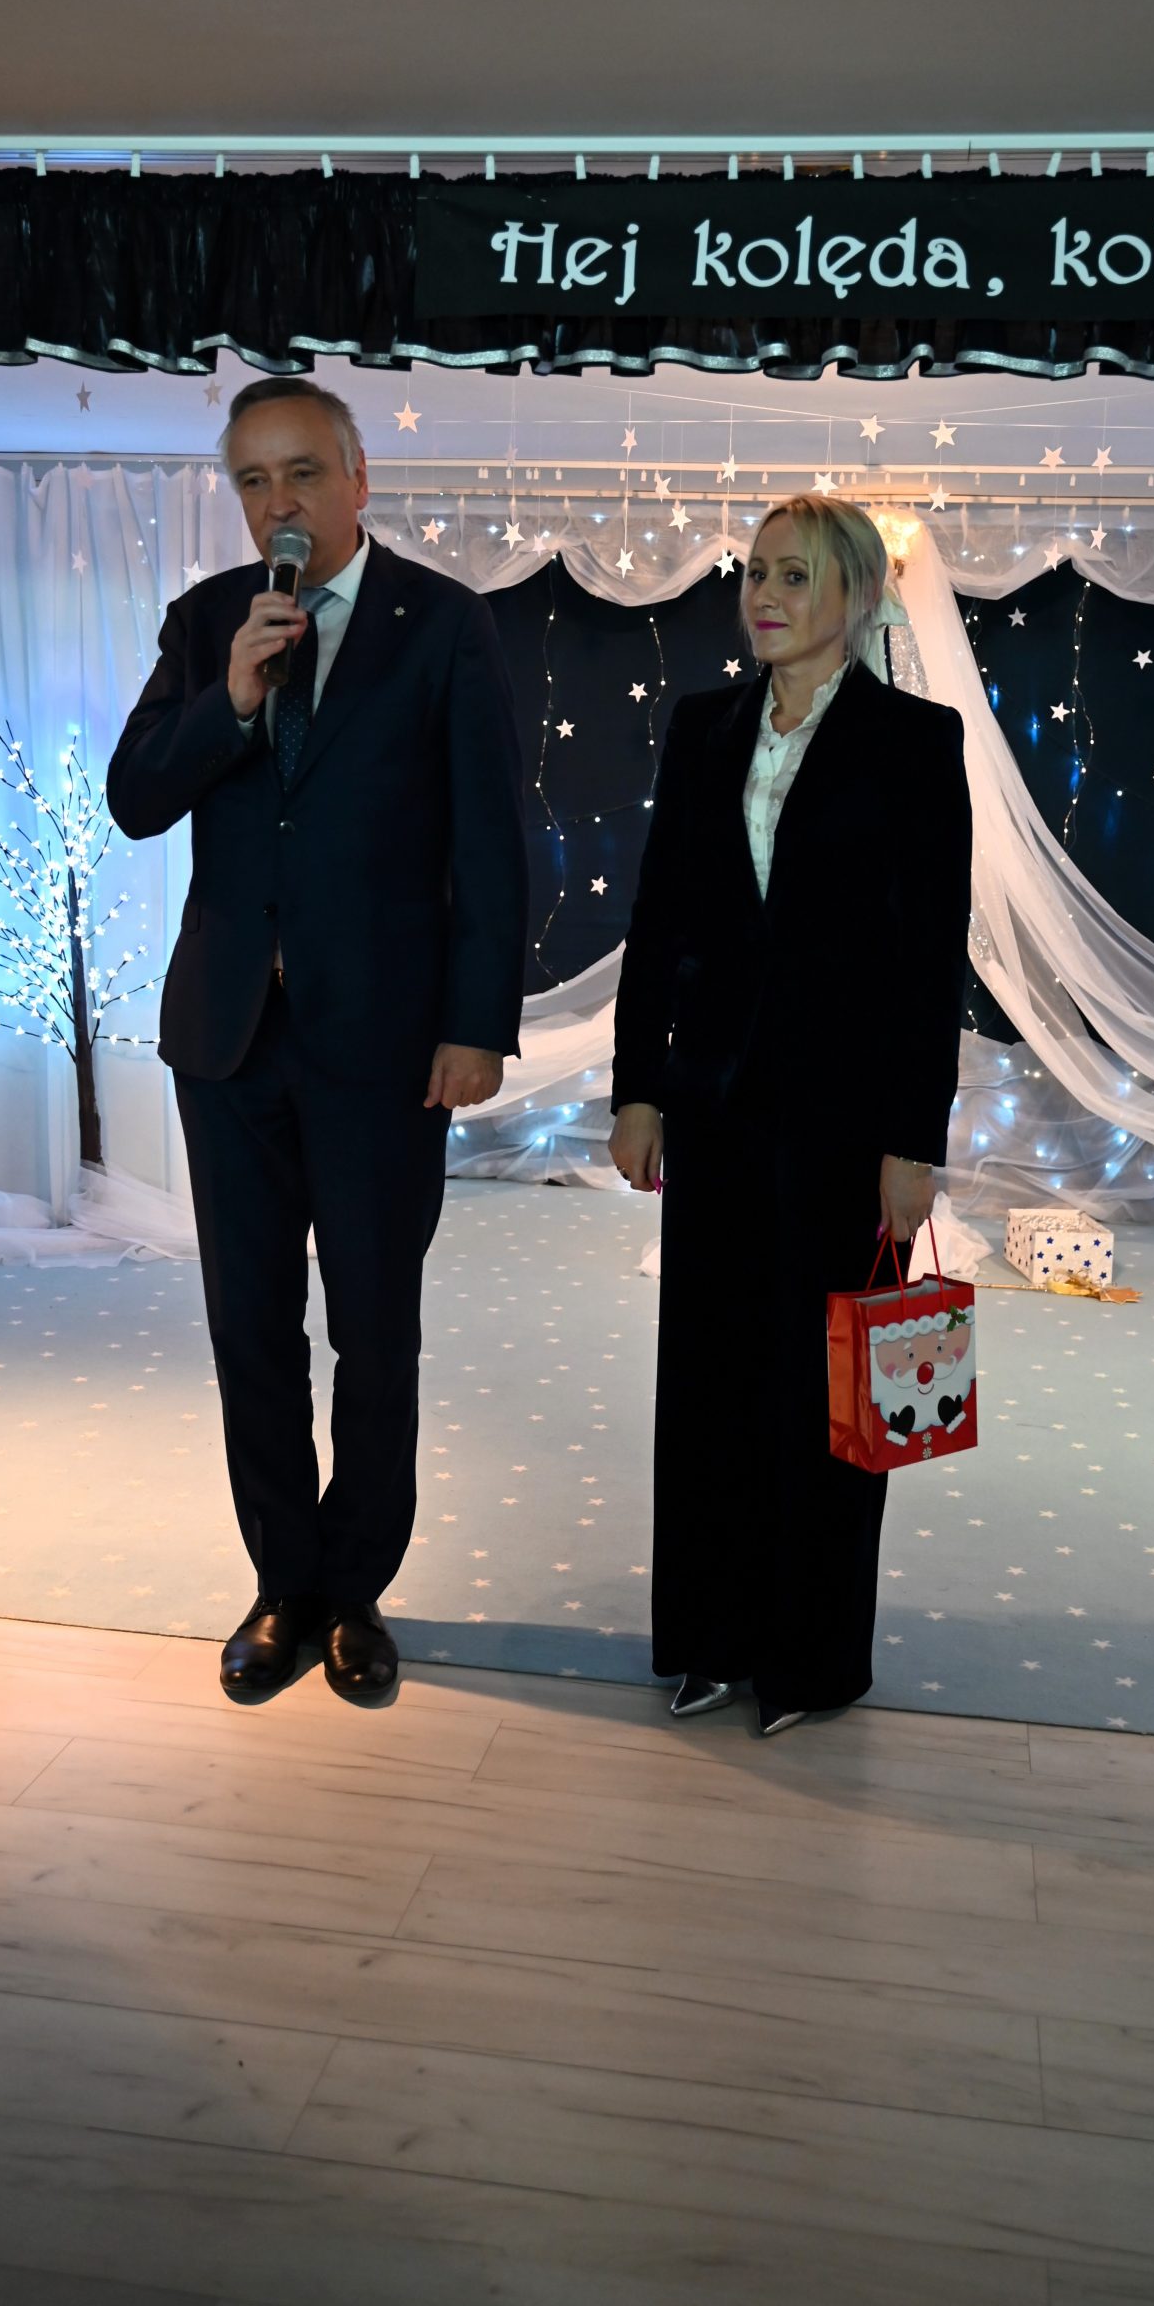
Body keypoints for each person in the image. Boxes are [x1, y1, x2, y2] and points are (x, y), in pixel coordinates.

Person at [107, 379, 528, 1705]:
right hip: (228, 1040)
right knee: (249, 1330)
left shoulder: (443, 624)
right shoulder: (207, 624)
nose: (275, 502)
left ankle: (356, 1591)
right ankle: (281, 1585)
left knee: (375, 1333)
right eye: (251, 479)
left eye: (299, 472)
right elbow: (134, 797)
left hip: (385, 1047)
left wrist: (476, 1026)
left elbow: (491, 843)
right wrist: (230, 699)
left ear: (357, 478)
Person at [609, 496, 971, 1737]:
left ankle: (807, 1660)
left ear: (855, 595)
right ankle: (707, 1638)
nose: (762, 594)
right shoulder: (701, 728)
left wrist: (913, 1142)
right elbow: (657, 920)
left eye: (793, 575)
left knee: (824, 1398)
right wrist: (638, 1088)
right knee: (709, 1378)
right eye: (754, 572)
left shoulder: (913, 742)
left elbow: (926, 959)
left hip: (844, 1124)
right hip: (711, 1111)